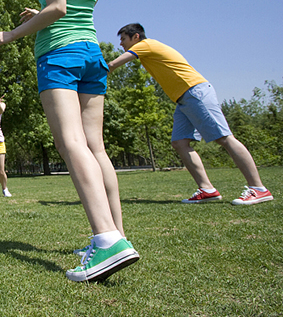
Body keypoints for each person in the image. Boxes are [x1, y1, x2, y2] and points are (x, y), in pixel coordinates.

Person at [0, 0, 138, 283]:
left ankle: (106, 241)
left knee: (71, 144)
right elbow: (81, 6)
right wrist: (40, 12)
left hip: (59, 53)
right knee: (95, 147)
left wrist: (10, 34)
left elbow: (59, 9)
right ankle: (117, 235)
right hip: (91, 51)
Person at [109, 23, 273, 206]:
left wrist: (91, 74)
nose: (121, 44)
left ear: (136, 37)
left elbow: (113, 64)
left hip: (194, 92)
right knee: (179, 142)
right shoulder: (146, 49)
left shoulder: (145, 45)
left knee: (224, 138)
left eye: (123, 39)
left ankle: (258, 188)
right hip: (183, 99)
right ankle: (207, 189)